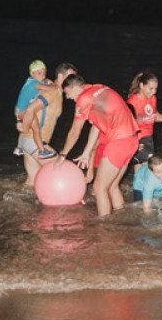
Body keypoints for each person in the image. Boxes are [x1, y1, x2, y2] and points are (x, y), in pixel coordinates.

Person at [57, 74, 140, 216]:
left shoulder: (83, 99)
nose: (68, 97)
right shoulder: (98, 87)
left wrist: (63, 155)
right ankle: (122, 220)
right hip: (132, 140)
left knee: (99, 188)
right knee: (112, 186)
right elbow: (96, 126)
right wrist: (86, 152)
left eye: (67, 93)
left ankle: (104, 228)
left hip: (119, 142)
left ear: (74, 87)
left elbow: (75, 131)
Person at [17, 62, 76, 186]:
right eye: (70, 78)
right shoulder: (52, 92)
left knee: (32, 182)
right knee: (64, 173)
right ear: (60, 76)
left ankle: (12, 203)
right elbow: (30, 109)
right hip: (35, 142)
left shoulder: (53, 87)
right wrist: (23, 125)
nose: (73, 82)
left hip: (28, 140)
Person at [12, 60, 58, 154]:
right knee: (35, 129)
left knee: (30, 129)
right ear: (32, 73)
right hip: (24, 112)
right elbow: (51, 88)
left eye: (44, 73)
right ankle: (42, 151)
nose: (43, 76)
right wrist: (56, 85)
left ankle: (19, 148)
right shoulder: (35, 84)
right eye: (39, 73)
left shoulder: (30, 80)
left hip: (18, 109)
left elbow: (43, 83)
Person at [127, 70, 162, 168]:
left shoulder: (152, 98)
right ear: (142, 85)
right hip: (138, 138)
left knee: (140, 168)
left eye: (155, 89)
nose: (154, 92)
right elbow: (127, 125)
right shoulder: (133, 102)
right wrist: (134, 142)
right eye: (150, 88)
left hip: (149, 137)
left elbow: (154, 115)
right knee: (150, 164)